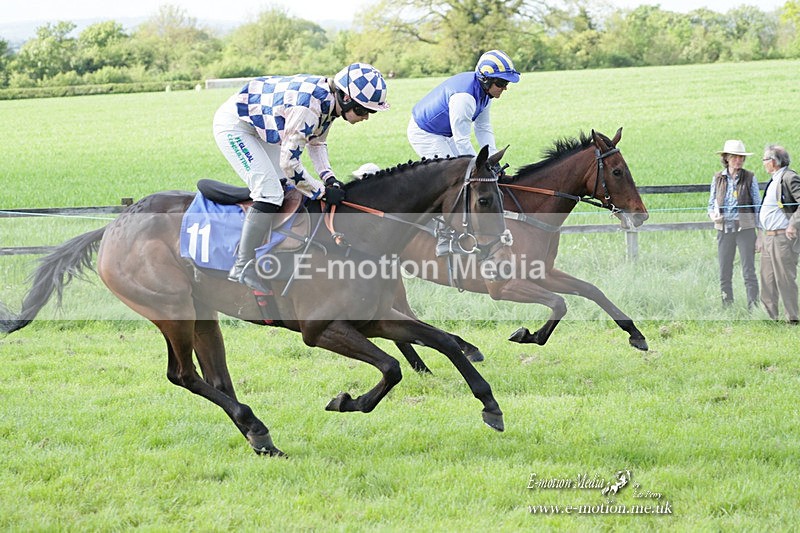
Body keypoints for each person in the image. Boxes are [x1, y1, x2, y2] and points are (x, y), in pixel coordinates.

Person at [213, 63, 390, 289]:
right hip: (236, 125)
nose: (366, 117)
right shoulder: (309, 109)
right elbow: (289, 163)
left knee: (287, 188)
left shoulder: (329, 101)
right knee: (269, 193)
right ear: (345, 98)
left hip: (260, 121)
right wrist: (321, 190)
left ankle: (279, 249)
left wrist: (328, 177)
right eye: (363, 110)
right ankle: (242, 265)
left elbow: (317, 142)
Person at [407, 49, 520, 159]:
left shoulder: (486, 93)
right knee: (453, 173)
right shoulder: (465, 99)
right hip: (425, 133)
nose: (505, 88)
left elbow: (482, 127)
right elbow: (462, 141)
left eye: (507, 82)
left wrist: (493, 158)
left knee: (465, 172)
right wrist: (479, 166)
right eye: (501, 83)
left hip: (446, 132)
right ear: (485, 80)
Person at [707, 140, 761, 309]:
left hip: (745, 229)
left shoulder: (750, 177)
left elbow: (757, 207)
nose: (738, 160)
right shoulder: (718, 178)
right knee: (724, 271)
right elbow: (710, 204)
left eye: (741, 157)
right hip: (724, 229)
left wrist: (760, 235)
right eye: (735, 157)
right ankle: (727, 307)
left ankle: (754, 307)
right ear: (726, 158)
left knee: (748, 272)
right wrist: (713, 216)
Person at [759, 144, 800, 324]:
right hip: (769, 237)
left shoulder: (789, 177)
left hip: (782, 237)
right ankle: (771, 319)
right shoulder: (775, 179)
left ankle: (793, 319)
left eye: (765, 160)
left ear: (774, 161)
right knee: (767, 279)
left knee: (785, 279)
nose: (764, 163)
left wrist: (794, 224)